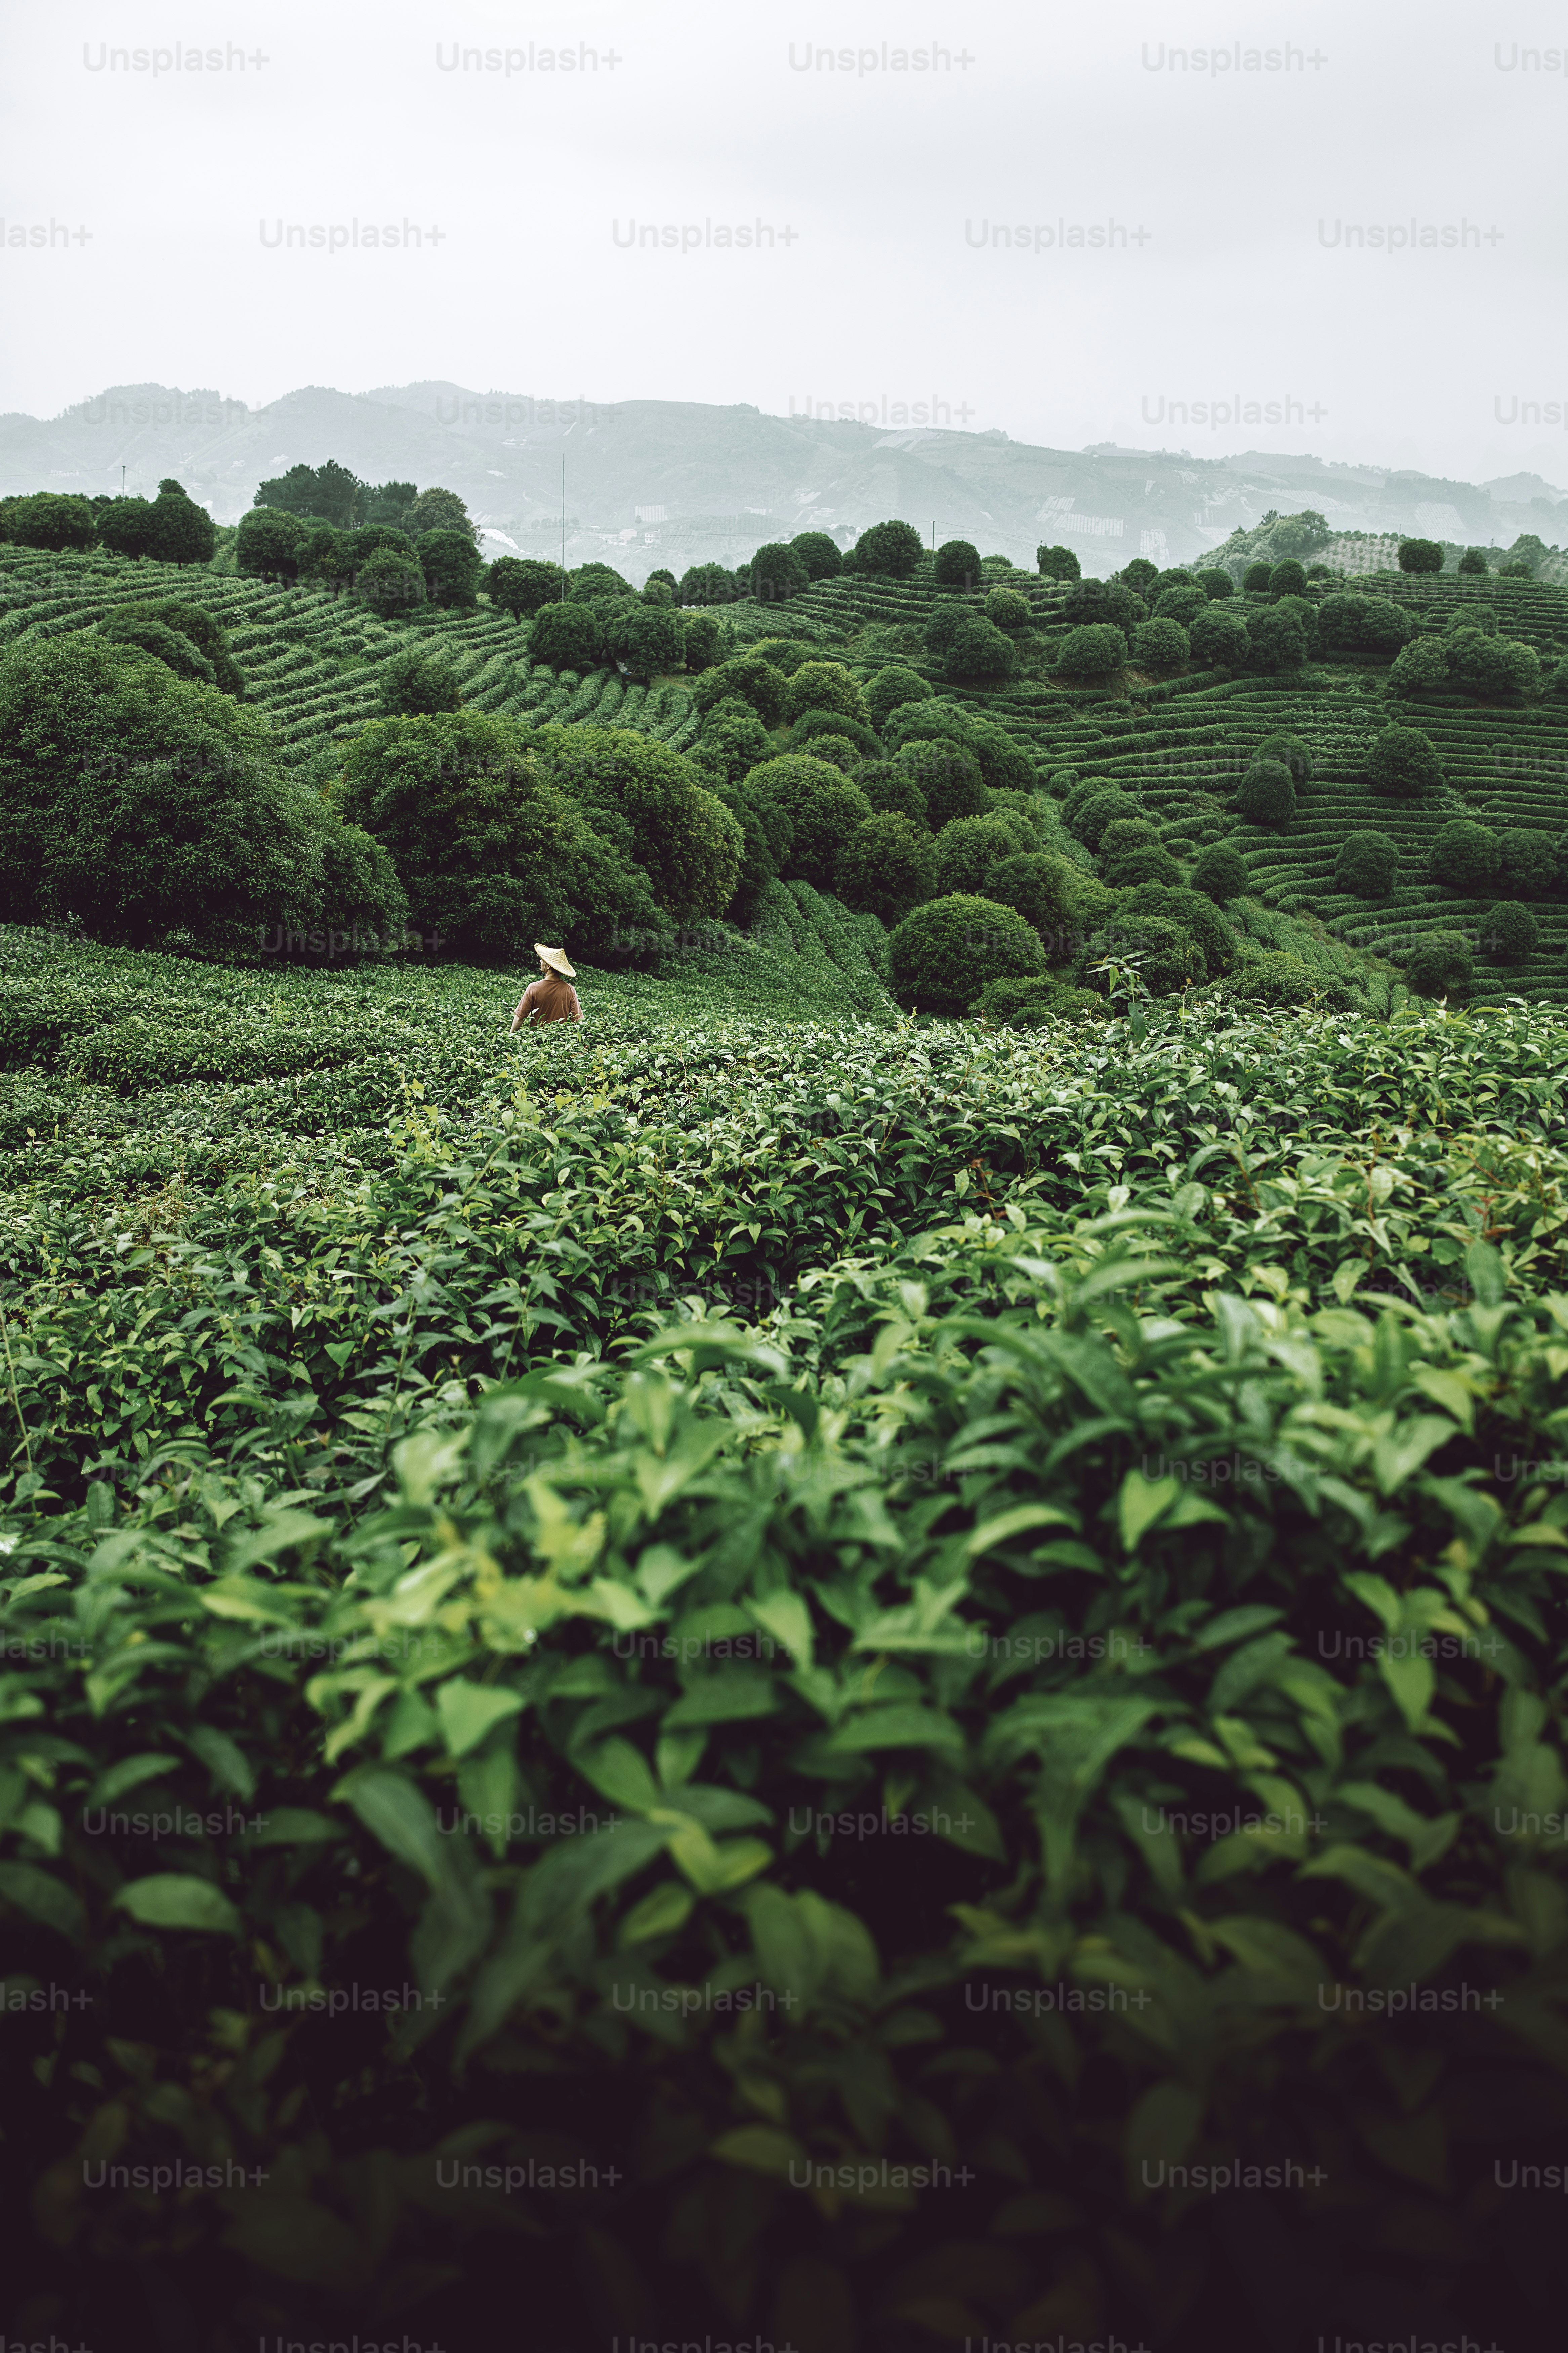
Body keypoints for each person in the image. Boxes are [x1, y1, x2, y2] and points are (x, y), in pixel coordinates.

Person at [510, 944, 582, 1031]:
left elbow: (520, 1017)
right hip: (559, 1038)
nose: (541, 961)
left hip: (536, 1038)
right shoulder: (570, 990)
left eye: (543, 960)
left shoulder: (533, 987)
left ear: (549, 966)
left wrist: (511, 1036)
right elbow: (578, 1020)